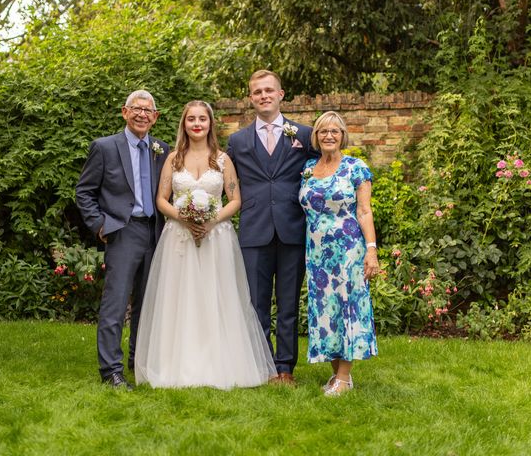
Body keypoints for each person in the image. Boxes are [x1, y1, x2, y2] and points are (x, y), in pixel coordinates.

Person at [135, 101, 277, 389]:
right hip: (179, 238)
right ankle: (179, 365)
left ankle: (220, 363)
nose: (197, 124)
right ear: (184, 124)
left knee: (217, 297)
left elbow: (235, 199)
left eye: (202, 119)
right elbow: (161, 199)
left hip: (217, 238)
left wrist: (211, 221)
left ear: (211, 124)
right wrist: (184, 218)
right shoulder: (173, 159)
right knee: (181, 299)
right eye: (191, 119)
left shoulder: (223, 160)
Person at [227, 70, 319, 385]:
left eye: (269, 90)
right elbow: (222, 181)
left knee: (289, 303)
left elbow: (325, 171)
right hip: (254, 232)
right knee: (256, 306)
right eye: (257, 92)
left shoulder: (304, 136)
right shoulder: (237, 141)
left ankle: (285, 369)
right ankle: (263, 366)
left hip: (293, 229)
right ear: (251, 98)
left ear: (281, 94)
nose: (264, 95)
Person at [76, 90, 170, 389]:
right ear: (124, 112)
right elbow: (84, 192)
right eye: (136, 109)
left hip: (155, 231)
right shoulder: (104, 148)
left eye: (148, 110)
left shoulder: (162, 150)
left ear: (155, 118)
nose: (142, 114)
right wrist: (100, 225)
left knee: (148, 302)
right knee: (116, 303)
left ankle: (138, 361)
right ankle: (111, 370)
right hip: (123, 230)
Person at [298, 111, 379, 397]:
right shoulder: (308, 168)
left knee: (347, 308)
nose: (329, 136)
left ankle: (344, 378)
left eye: (334, 131)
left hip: (348, 251)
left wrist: (371, 250)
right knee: (325, 311)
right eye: (323, 131)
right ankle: (336, 374)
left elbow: (364, 211)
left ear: (343, 136)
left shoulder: (355, 168)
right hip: (317, 253)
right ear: (316, 137)